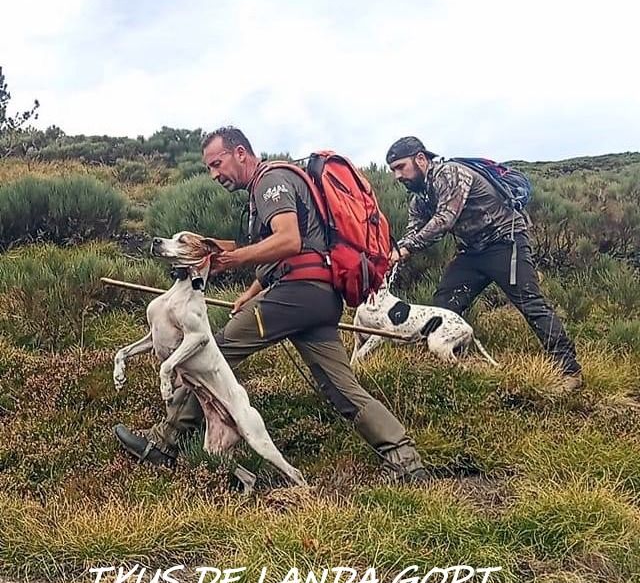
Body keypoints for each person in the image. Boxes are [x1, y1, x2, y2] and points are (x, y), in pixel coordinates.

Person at [115, 126, 427, 482]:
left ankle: (163, 443)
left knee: (215, 349)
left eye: (217, 163)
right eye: (209, 168)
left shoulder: (270, 181)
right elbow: (296, 250)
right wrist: (253, 290)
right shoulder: (276, 182)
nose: (214, 174)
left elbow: (289, 240)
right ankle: (404, 459)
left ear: (241, 154)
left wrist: (236, 260)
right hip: (321, 297)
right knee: (340, 386)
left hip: (297, 294)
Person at [385, 136, 583, 393]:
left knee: (531, 304)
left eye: (401, 167)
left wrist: (405, 249)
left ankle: (569, 371)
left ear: (421, 159)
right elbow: (414, 231)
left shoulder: (450, 173)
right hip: (472, 252)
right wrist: (392, 254)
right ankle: (450, 360)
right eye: (392, 170)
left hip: (505, 242)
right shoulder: (419, 199)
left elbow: (444, 219)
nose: (397, 176)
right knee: (445, 304)